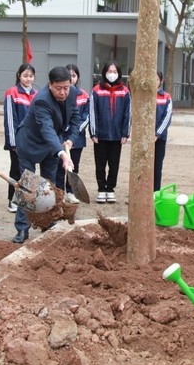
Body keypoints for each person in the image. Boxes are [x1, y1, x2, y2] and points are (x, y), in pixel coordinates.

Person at [13, 66, 82, 243]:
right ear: (50, 84)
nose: (63, 92)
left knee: (49, 185)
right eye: (58, 88)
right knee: (28, 186)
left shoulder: (73, 92)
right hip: (30, 143)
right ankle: (22, 228)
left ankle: (47, 222)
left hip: (52, 145)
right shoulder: (41, 100)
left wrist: (70, 140)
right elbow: (47, 129)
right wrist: (62, 153)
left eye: (66, 87)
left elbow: (75, 119)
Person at [89, 60, 131, 204]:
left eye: (114, 72)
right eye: (109, 72)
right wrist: (93, 133)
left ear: (118, 73)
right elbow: (92, 112)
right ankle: (101, 189)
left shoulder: (124, 91)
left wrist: (125, 133)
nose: (112, 74)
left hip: (117, 136)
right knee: (100, 164)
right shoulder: (96, 90)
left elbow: (127, 114)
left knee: (114, 164)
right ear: (104, 73)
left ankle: (110, 189)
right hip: (100, 135)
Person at [3, 63, 37, 213]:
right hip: (18, 140)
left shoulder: (37, 94)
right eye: (25, 76)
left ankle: (27, 199)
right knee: (16, 170)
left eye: (31, 76)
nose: (28, 79)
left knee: (30, 172)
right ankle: (12, 200)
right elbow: (10, 119)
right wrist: (13, 142)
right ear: (19, 76)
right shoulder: (12, 93)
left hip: (32, 141)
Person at [55, 64, 89, 205]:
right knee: (59, 167)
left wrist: (73, 134)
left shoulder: (83, 95)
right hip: (60, 137)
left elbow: (85, 116)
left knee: (74, 165)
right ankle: (59, 192)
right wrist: (64, 131)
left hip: (77, 137)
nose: (72, 79)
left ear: (78, 77)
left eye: (74, 76)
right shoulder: (58, 95)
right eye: (69, 76)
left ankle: (71, 191)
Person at [154, 71, 173, 191]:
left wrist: (157, 134)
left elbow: (167, 117)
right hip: (143, 138)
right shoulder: (142, 95)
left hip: (159, 138)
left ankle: (155, 192)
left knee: (157, 166)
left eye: (156, 79)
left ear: (161, 81)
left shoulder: (166, 97)